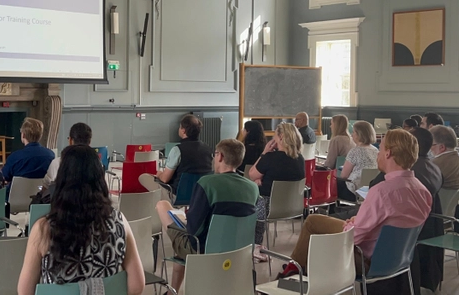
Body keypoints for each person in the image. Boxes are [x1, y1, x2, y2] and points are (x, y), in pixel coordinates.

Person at [278, 129, 431, 278]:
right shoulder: (423, 191)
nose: (378, 153)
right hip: (400, 259)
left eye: (381, 148)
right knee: (327, 223)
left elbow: (353, 237)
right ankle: (296, 271)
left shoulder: (381, 192)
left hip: (367, 260)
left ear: (388, 153)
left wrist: (352, 224)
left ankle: (294, 272)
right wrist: (357, 221)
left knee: (313, 222)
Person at [17, 145, 144, 294]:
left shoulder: (44, 229)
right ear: (100, 178)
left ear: (62, 179)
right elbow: (137, 285)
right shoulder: (119, 222)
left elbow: (25, 291)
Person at [155, 139, 259, 292]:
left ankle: (173, 291)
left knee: (162, 205)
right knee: (181, 249)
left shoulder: (207, 183)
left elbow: (193, 230)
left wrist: (186, 219)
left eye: (215, 154)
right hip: (239, 250)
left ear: (221, 157)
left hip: (203, 249)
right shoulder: (252, 188)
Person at [249, 123, 305, 259]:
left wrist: (264, 153)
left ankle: (255, 245)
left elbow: (252, 174)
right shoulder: (300, 159)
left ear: (280, 137)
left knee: (251, 202)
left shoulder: (270, 158)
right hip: (293, 207)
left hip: (268, 206)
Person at [157, 115, 213, 195]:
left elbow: (165, 179)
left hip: (180, 194)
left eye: (180, 127)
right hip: (202, 194)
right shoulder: (208, 149)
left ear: (183, 130)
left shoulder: (177, 150)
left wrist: (159, 174)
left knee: (148, 179)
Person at [2, 118, 55, 194]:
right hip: (42, 197)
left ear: (23, 135)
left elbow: (4, 177)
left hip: (16, 198)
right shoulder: (51, 155)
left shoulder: (15, 157)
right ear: (40, 135)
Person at [43, 123, 92, 190]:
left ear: (70, 141)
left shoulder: (57, 163)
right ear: (89, 142)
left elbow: (45, 190)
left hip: (62, 200)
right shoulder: (96, 164)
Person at [338, 121, 378, 202]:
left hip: (354, 190)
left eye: (353, 132)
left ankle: (332, 212)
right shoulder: (376, 151)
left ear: (359, 134)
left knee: (334, 183)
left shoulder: (355, 151)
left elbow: (344, 176)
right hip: (371, 189)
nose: (352, 135)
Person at [429, 125, 459, 190]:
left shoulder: (435, 165)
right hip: (454, 199)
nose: (429, 148)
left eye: (431, 145)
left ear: (442, 147)